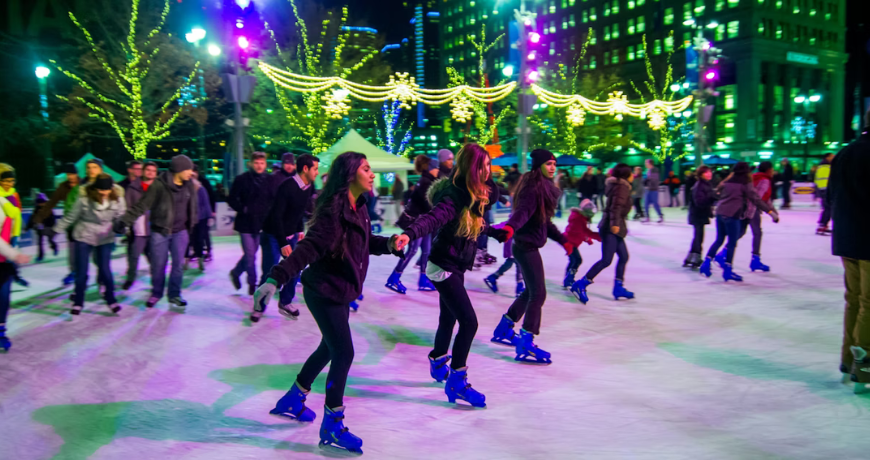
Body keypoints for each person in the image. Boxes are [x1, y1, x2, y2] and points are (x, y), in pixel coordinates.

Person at [253, 151, 404, 453]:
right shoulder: (333, 212)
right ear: (351, 175)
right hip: (324, 292)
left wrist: (388, 243)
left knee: (329, 348)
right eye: (366, 169)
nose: (372, 174)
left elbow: (362, 242)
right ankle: (333, 424)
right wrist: (275, 278)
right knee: (344, 352)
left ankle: (293, 398)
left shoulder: (357, 205)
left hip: (340, 289)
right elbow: (308, 248)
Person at [397, 143, 504, 407]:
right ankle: (457, 381)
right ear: (471, 168)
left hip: (455, 264)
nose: (488, 172)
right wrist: (409, 233)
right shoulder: (455, 196)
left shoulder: (474, 195)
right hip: (442, 265)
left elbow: (488, 205)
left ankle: (437, 360)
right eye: (483, 166)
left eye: (489, 166)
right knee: (469, 322)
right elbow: (433, 218)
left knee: (449, 318)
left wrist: (494, 233)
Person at [488, 149, 568, 365]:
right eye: (549, 163)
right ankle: (525, 343)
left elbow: (544, 222)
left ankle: (504, 328)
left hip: (528, 245)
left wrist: (564, 241)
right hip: (525, 247)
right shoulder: (533, 189)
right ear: (539, 165)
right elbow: (521, 213)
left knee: (530, 291)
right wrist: (511, 228)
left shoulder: (542, 187)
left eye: (554, 164)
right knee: (538, 294)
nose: (553, 167)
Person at [115, 155, 198, 310]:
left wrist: (193, 224)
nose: (191, 173)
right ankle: (156, 293)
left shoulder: (189, 185)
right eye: (188, 169)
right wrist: (124, 221)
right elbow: (141, 205)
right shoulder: (159, 185)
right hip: (160, 231)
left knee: (178, 265)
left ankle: (174, 295)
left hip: (181, 232)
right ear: (178, 169)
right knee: (159, 265)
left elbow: (193, 206)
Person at [829, 110, 870, 392]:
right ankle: (864, 367)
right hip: (868, 240)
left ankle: (847, 359)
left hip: (847, 239)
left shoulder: (844, 153)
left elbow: (830, 195)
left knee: (853, 299)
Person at [255, 154, 320, 322]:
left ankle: (285, 301)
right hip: (274, 234)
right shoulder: (287, 186)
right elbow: (276, 216)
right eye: (316, 169)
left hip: (291, 233)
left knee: (296, 266)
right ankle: (259, 305)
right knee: (270, 270)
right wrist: (283, 242)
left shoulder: (308, 186)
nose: (318, 173)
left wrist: (299, 230)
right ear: (305, 169)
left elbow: (299, 211)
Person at [53, 173, 126, 315]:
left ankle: (111, 299)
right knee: (81, 271)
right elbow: (70, 217)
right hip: (84, 235)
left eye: (106, 190)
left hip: (105, 236)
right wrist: (54, 230)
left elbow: (121, 216)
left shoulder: (118, 198)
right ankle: (78, 302)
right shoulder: (84, 198)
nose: (104, 193)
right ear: (95, 188)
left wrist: (123, 226)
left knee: (105, 269)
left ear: (111, 188)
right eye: (100, 190)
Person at [698, 162, 779, 282]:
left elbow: (716, 192)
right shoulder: (745, 183)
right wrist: (770, 212)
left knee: (719, 239)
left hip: (720, 213)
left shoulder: (727, 181)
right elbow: (756, 199)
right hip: (732, 215)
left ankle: (706, 263)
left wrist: (725, 198)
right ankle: (728, 271)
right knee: (732, 243)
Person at [571, 164, 636, 304]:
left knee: (624, 256)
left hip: (615, 226)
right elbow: (615, 207)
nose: (633, 176)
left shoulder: (620, 186)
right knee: (606, 260)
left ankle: (618, 287)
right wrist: (615, 225)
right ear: (626, 175)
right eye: (631, 173)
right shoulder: (622, 187)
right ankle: (581, 284)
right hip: (611, 227)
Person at [386, 155, 437, 294]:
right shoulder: (425, 182)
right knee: (413, 250)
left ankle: (423, 279)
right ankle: (394, 277)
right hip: (414, 221)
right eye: (436, 167)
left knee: (426, 250)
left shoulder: (431, 181)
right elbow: (427, 204)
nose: (438, 169)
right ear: (431, 168)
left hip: (424, 221)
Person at [228, 152, 273, 295]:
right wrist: (244, 209)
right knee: (250, 255)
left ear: (265, 164)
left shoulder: (269, 180)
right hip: (245, 224)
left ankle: (236, 272)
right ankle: (252, 283)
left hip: (262, 224)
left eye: (262, 163)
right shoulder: (242, 179)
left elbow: (273, 200)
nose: (259, 166)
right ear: (251, 164)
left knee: (251, 254)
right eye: (256, 163)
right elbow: (232, 199)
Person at [31, 163, 81, 285]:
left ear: (77, 174)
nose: (71, 177)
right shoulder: (63, 187)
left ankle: (87, 272)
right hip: (71, 223)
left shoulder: (84, 185)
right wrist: (39, 217)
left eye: (73, 174)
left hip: (86, 222)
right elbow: (51, 203)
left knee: (88, 252)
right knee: (73, 249)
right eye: (68, 174)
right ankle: (74, 272)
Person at [0, 195, 31, 352]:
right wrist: (14, 254)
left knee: (3, 297)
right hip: (6, 255)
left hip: (4, 261)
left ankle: (1, 331)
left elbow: (15, 226)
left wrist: (14, 245)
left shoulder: (7, 204)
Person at [122, 161, 157, 290]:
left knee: (154, 258)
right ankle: (130, 279)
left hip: (155, 229)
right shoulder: (133, 188)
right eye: (148, 170)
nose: (150, 173)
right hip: (138, 230)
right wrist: (128, 225)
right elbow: (128, 208)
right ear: (143, 171)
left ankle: (156, 281)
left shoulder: (160, 188)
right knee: (133, 256)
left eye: (153, 171)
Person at [562, 199, 601, 287]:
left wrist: (588, 240)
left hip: (570, 241)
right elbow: (584, 232)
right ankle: (568, 279)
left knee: (573, 260)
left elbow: (581, 232)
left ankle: (567, 279)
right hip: (569, 242)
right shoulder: (579, 218)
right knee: (577, 260)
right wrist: (599, 237)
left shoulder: (580, 218)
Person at [0, 164, 28, 287]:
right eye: (6, 181)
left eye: (12, 181)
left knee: (11, 256)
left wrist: (16, 234)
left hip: (11, 231)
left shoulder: (14, 194)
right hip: (2, 232)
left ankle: (15, 276)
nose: (9, 184)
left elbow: (18, 213)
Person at [683, 166, 715, 269]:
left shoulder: (706, 184)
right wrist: (711, 199)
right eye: (706, 172)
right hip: (697, 214)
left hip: (700, 214)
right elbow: (699, 202)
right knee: (699, 237)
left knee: (698, 237)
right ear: (701, 174)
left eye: (710, 172)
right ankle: (696, 258)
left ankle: (691, 257)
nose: (709, 174)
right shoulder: (700, 185)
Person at [187, 167, 212, 272]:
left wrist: (209, 216)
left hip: (201, 219)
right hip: (188, 219)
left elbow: (206, 204)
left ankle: (201, 259)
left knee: (200, 239)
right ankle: (186, 260)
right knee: (188, 240)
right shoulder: (185, 189)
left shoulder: (201, 189)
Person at [27, 193, 58, 262]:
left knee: (50, 240)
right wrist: (28, 227)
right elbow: (32, 218)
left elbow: (52, 219)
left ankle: (54, 247)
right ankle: (40, 255)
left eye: (42, 202)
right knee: (40, 242)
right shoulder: (36, 209)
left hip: (49, 227)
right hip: (40, 229)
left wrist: (50, 227)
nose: (41, 204)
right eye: (39, 202)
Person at [815, 153, 833, 234]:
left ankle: (822, 224)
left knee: (826, 208)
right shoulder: (828, 167)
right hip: (827, 190)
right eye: (832, 156)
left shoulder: (820, 167)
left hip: (823, 189)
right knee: (828, 208)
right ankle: (822, 225)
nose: (833, 158)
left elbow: (816, 180)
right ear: (827, 157)